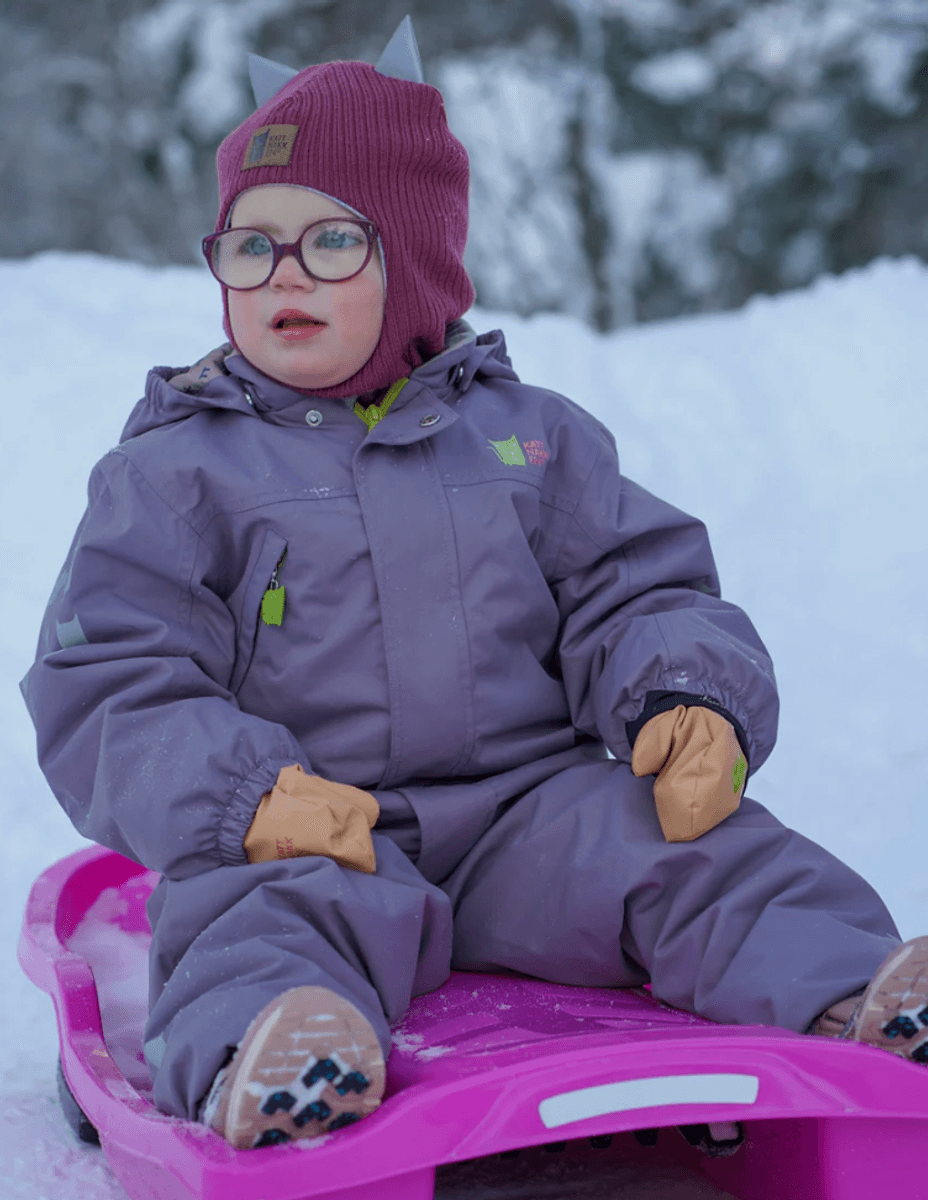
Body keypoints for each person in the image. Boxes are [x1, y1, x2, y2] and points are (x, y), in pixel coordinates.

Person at [21, 23, 928, 1153]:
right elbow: (110, 677)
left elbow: (635, 589)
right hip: (309, 829)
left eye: (330, 242)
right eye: (248, 248)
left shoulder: (532, 442)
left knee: (691, 853)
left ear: (417, 263)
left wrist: (686, 700)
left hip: (527, 817)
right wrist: (244, 796)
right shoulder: (175, 475)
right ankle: (285, 1052)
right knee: (252, 922)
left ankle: (864, 997)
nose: (281, 274)